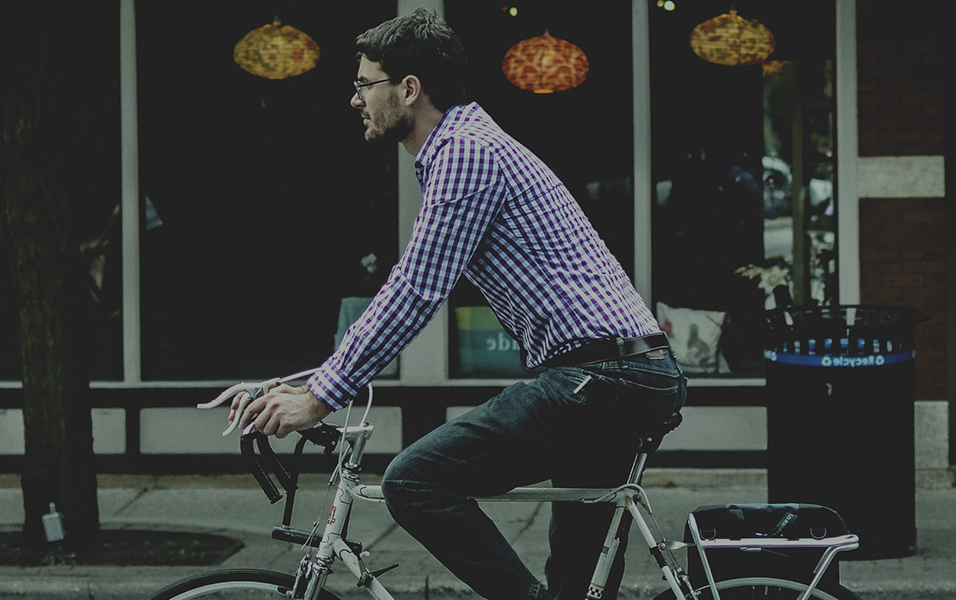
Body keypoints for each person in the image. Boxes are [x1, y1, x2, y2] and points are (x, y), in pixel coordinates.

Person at [237, 8, 686, 600]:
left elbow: (416, 288)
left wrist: (321, 395)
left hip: (603, 378)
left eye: (364, 84)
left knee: (414, 482)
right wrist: (309, 383)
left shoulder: (465, 153)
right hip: (618, 374)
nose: (355, 99)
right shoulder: (465, 148)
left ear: (409, 89)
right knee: (575, 587)